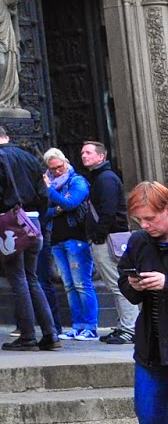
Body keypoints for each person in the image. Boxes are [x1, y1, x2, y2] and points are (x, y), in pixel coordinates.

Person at [0, 123, 59, 350]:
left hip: (10, 221)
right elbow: (43, 193)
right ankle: (50, 334)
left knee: (18, 279)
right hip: (33, 220)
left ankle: (27, 335)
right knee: (32, 278)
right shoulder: (29, 157)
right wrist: (38, 217)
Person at [119, 181, 168, 424]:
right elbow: (124, 281)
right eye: (139, 220)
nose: (145, 225)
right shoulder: (139, 241)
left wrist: (166, 283)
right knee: (149, 416)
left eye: (150, 218)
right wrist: (133, 285)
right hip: (151, 345)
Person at [82, 140, 138, 345]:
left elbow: (108, 210)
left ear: (101, 156)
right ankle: (124, 325)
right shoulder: (101, 177)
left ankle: (130, 328)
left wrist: (98, 234)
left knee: (119, 284)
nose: (84, 156)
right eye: (82, 153)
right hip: (107, 237)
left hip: (109, 239)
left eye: (88, 152)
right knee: (116, 284)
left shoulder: (105, 179)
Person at [46, 148, 100, 341]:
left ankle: (90, 326)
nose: (56, 172)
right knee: (69, 285)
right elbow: (45, 212)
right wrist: (57, 208)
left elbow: (70, 204)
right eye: (52, 169)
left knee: (82, 284)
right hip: (56, 239)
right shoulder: (50, 183)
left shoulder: (77, 181)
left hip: (76, 238)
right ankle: (77, 325)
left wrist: (51, 192)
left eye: (59, 167)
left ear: (66, 163)